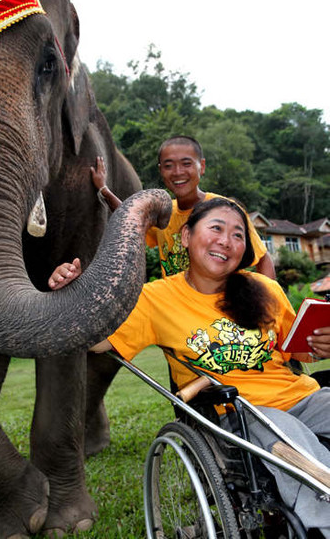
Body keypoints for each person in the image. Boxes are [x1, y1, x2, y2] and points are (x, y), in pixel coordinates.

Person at [90, 197, 330, 537]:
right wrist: (75, 292)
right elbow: (97, 341)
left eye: (237, 235)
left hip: (300, 397)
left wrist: (318, 346)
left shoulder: (264, 289)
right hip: (239, 413)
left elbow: (297, 351)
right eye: (216, 228)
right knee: (291, 445)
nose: (226, 241)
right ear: (186, 236)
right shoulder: (157, 298)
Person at [87, 136, 275, 280]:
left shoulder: (226, 210)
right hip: (180, 312)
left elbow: (263, 259)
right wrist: (103, 189)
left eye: (186, 164)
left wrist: (268, 306)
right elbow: (130, 217)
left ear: (201, 166)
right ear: (161, 170)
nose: (178, 172)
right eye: (169, 166)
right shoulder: (165, 212)